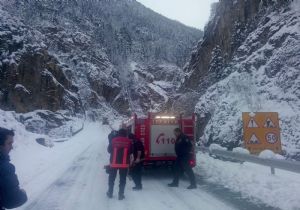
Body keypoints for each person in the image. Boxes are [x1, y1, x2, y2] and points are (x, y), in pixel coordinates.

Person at [0, 127, 27, 210]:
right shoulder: (4, 168)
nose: (12, 147)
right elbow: (12, 200)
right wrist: (23, 194)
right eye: (9, 143)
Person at [107, 129, 133, 200]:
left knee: (111, 178)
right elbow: (131, 152)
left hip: (114, 164)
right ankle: (121, 195)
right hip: (124, 164)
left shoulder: (114, 140)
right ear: (125, 134)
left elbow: (109, 150)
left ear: (118, 133)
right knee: (122, 179)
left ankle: (110, 193)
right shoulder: (129, 141)